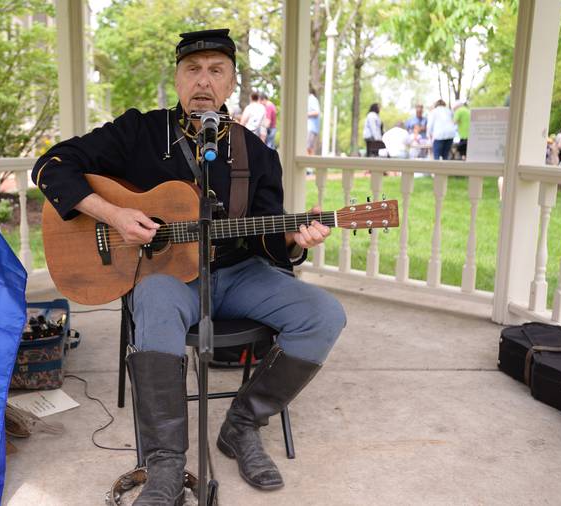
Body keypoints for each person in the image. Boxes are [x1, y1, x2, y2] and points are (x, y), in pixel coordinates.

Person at [31, 29, 346, 504]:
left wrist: (295, 240)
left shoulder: (256, 153)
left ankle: (241, 425)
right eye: (193, 70)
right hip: (164, 277)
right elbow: (50, 165)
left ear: (231, 83)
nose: (204, 81)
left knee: (324, 315)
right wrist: (113, 214)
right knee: (154, 299)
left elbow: (270, 239)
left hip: (238, 274)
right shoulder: (138, 131)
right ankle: (165, 465)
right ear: (177, 79)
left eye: (216, 71)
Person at [307, 88, 321, 155]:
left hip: (311, 128)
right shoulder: (311, 99)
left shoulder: (311, 99)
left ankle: (308, 165)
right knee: (309, 148)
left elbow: (316, 112)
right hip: (311, 128)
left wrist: (305, 114)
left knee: (308, 148)